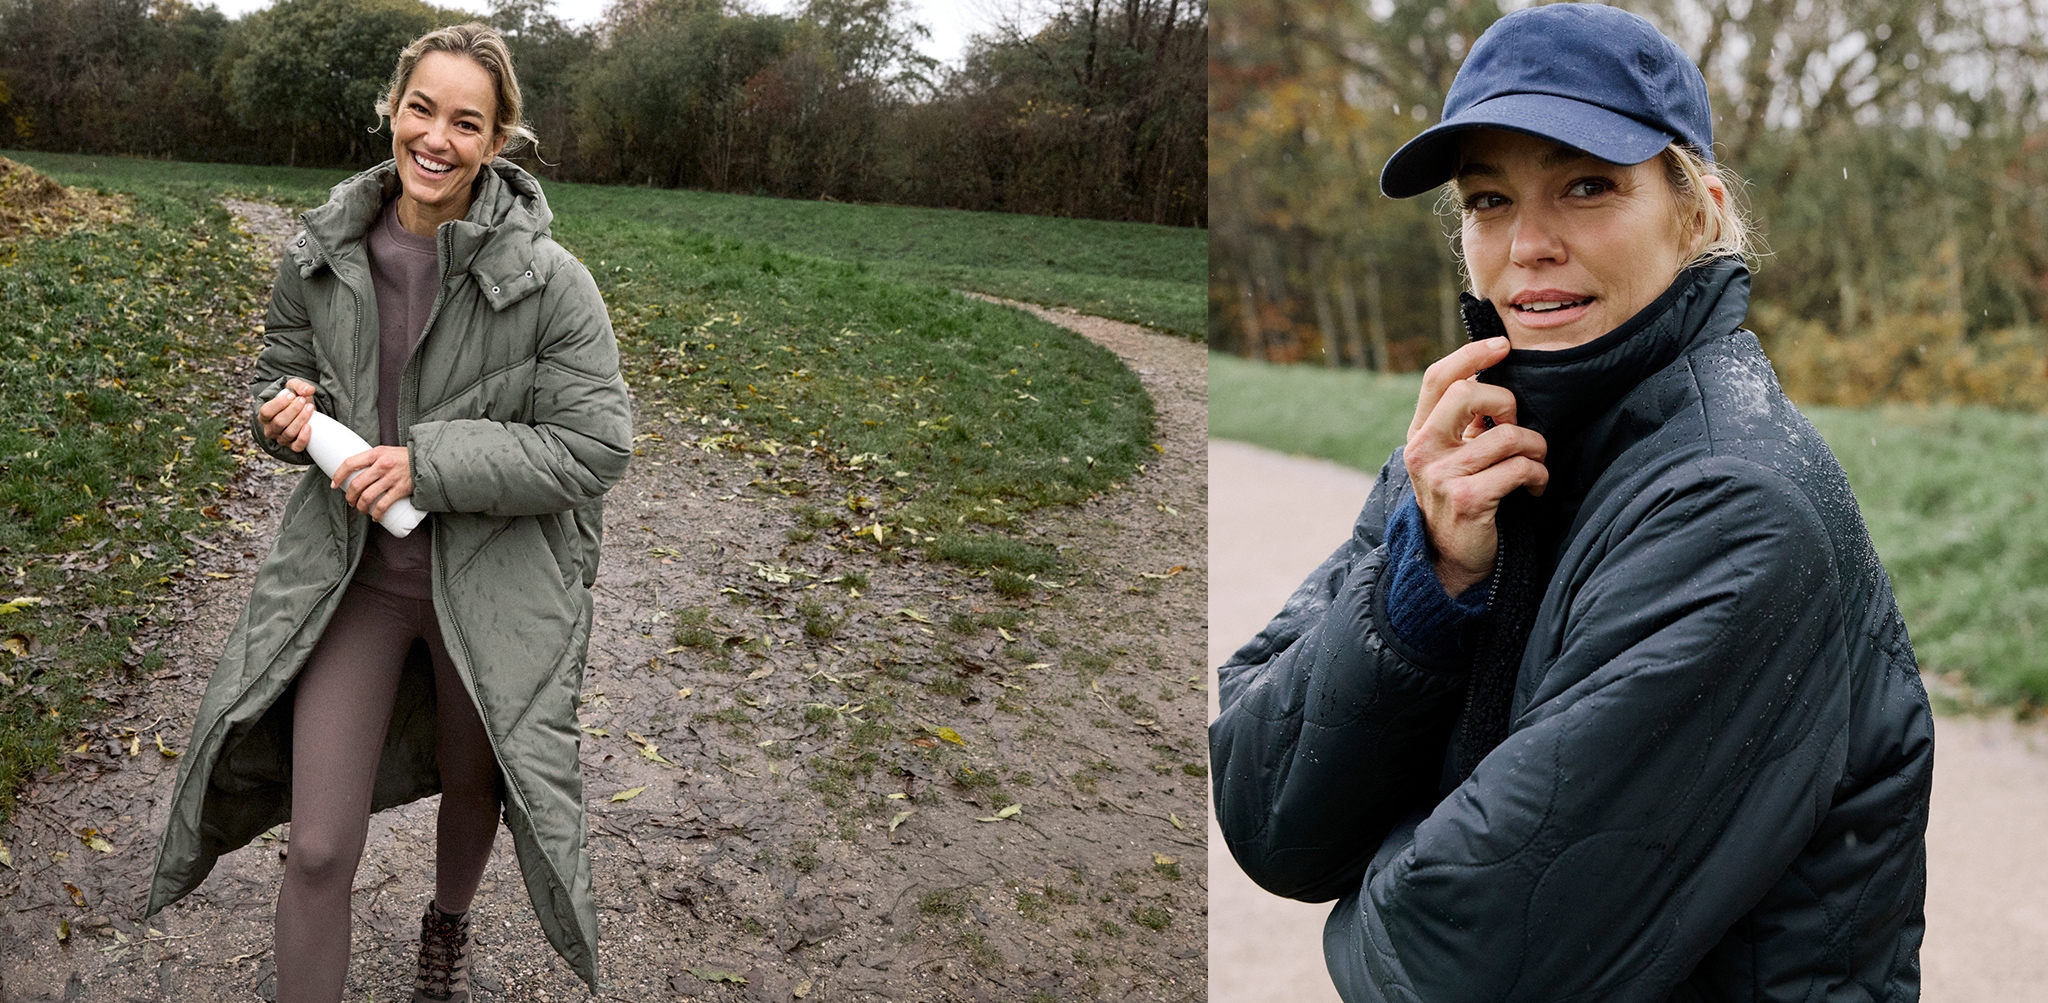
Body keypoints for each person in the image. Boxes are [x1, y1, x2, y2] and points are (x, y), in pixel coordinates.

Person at [1209, 5, 1933, 1000]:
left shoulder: (1731, 510)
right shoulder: (1459, 455)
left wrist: (1374, 866)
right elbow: (1267, 818)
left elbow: (1449, 963)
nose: (1527, 243)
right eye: (1488, 199)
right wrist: (1427, 593)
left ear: (1697, 211)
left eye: (1586, 186)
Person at [145, 23, 630, 1002]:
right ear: (393, 110)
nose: (437, 138)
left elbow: (594, 448)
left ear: (497, 142)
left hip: (490, 588)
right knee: (319, 847)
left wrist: (428, 466)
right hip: (355, 580)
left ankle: (445, 922)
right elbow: (274, 387)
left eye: (466, 121)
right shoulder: (321, 254)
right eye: (421, 109)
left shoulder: (553, 284)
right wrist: (284, 418)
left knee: (476, 779)